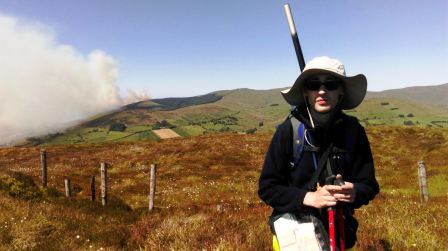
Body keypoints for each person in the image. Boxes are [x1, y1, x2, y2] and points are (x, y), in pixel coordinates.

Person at [258, 56, 379, 250]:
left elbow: (369, 185)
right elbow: (267, 188)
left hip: (339, 236)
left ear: (341, 91)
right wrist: (309, 198)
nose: (322, 91)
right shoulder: (288, 131)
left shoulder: (353, 131)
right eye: (314, 84)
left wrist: (354, 192)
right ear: (305, 92)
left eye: (331, 84)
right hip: (295, 239)